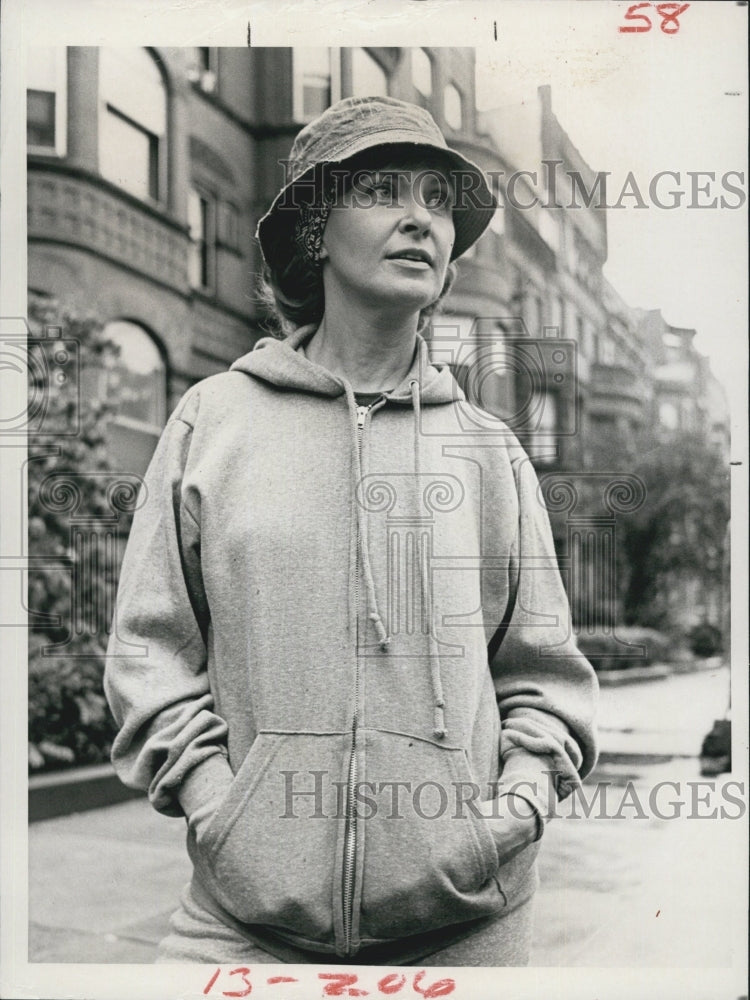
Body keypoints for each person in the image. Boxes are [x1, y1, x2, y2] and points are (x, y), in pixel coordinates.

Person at [104, 95, 598, 967]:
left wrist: (510, 813)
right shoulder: (211, 421)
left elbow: (543, 675)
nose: (420, 218)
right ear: (314, 231)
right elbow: (150, 650)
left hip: (465, 933)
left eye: (439, 201)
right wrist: (222, 812)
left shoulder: (489, 452)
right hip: (240, 926)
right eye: (381, 190)